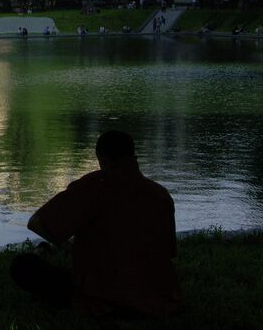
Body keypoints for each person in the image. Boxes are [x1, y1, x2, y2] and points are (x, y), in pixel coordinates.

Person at [10, 131, 183, 317]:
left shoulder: (93, 186)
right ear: (134, 156)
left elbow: (37, 223)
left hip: (104, 298)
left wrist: (69, 247)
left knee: (24, 266)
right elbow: (168, 252)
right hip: (159, 299)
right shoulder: (161, 195)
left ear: (101, 159)